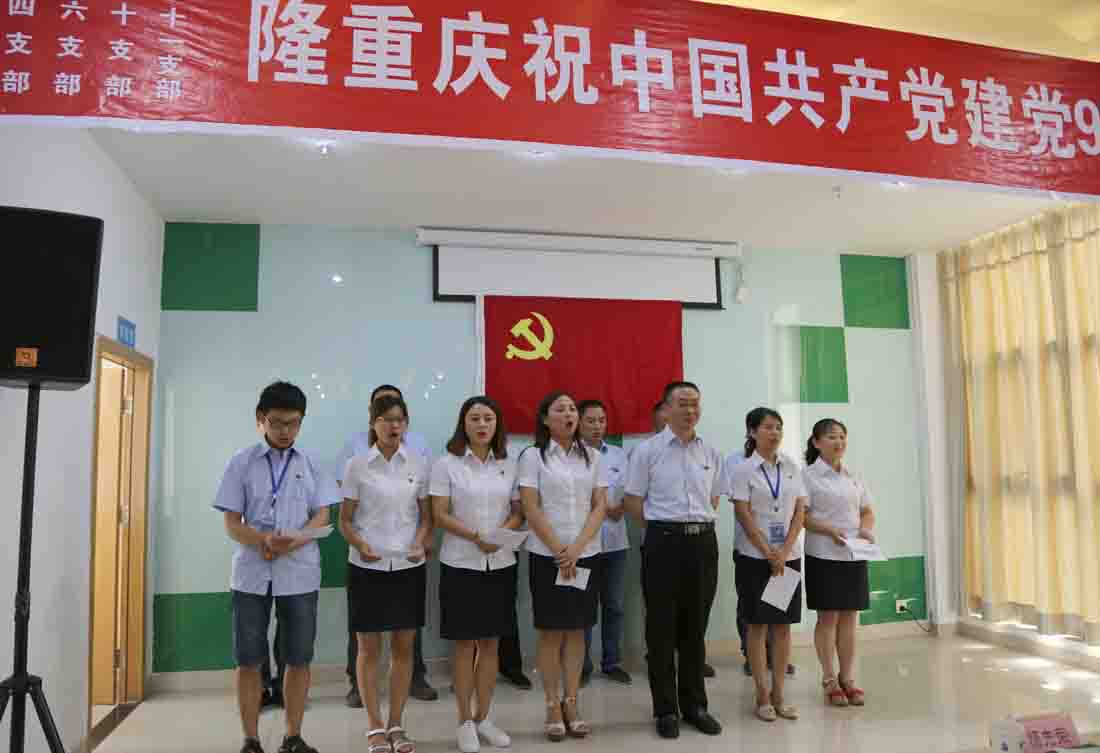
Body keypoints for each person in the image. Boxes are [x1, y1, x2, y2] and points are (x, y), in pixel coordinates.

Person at [213, 381, 338, 753]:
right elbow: (232, 523)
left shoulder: (312, 462)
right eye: (277, 423)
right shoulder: (241, 462)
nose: (285, 431)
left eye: (293, 423)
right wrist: (264, 542)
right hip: (251, 575)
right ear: (261, 419)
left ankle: (293, 737)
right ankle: (251, 740)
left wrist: (292, 543)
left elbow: (322, 515)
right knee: (248, 660)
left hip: (299, 573)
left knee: (298, 658)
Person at [624, 382, 723, 740]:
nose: (690, 410)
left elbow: (713, 499)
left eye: (695, 404)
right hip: (663, 543)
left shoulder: (710, 452)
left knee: (695, 629)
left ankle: (695, 706)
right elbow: (633, 502)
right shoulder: (647, 451)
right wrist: (665, 530)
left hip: (703, 544)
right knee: (661, 630)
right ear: (666, 408)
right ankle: (665, 709)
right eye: (682, 403)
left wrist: (691, 527)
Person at [340, 395, 432, 753]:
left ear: (406, 424)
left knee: (404, 647)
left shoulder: (419, 464)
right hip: (367, 565)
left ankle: (396, 723)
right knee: (368, 648)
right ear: (373, 424)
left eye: (399, 419)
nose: (393, 426)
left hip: (408, 566)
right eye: (385, 419)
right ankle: (374, 726)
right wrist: (360, 545)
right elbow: (345, 521)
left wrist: (420, 543)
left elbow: (426, 519)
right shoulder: (357, 465)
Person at [431, 396, 524, 752]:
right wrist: (476, 537)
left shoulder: (509, 463)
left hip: (500, 563)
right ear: (463, 424)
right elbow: (439, 514)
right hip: (461, 563)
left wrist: (497, 536)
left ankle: (484, 717)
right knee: (464, 644)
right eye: (474, 418)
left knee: (490, 644)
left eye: (488, 418)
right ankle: (463, 721)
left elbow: (518, 511)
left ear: (497, 424)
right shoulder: (446, 464)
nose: (482, 424)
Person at [519, 391, 608, 742]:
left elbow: (600, 505)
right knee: (551, 631)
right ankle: (551, 705)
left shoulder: (594, 457)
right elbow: (531, 506)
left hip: (586, 554)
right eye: (560, 409)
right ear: (545, 419)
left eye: (572, 409)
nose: (569, 414)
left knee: (577, 630)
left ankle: (572, 702)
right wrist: (560, 550)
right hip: (547, 556)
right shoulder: (533, 456)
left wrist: (578, 547)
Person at [728, 407, 806, 723]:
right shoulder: (743, 470)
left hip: (787, 557)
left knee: (782, 626)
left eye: (778, 427)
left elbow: (800, 511)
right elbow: (743, 514)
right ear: (752, 432)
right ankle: (761, 695)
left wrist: (783, 551)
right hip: (754, 558)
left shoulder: (791, 467)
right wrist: (767, 551)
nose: (774, 433)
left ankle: (779, 695)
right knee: (757, 626)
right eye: (768, 427)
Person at [802, 418, 874, 708]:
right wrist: (828, 530)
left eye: (842, 436)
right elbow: (801, 517)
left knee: (850, 618)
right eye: (832, 437)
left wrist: (866, 529)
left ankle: (848, 678)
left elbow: (867, 510)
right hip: (823, 554)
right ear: (817, 442)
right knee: (828, 618)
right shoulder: (807, 476)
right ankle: (829, 678)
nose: (839, 442)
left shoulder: (853, 474)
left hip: (853, 554)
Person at [578, 400, 632, 686]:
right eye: (591, 421)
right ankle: (581, 666)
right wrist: (600, 508)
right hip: (583, 544)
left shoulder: (619, 455)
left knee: (614, 605)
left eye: (601, 420)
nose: (597, 426)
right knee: (583, 606)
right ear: (578, 423)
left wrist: (620, 507)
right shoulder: (572, 456)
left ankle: (612, 663)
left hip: (615, 543)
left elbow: (632, 489)